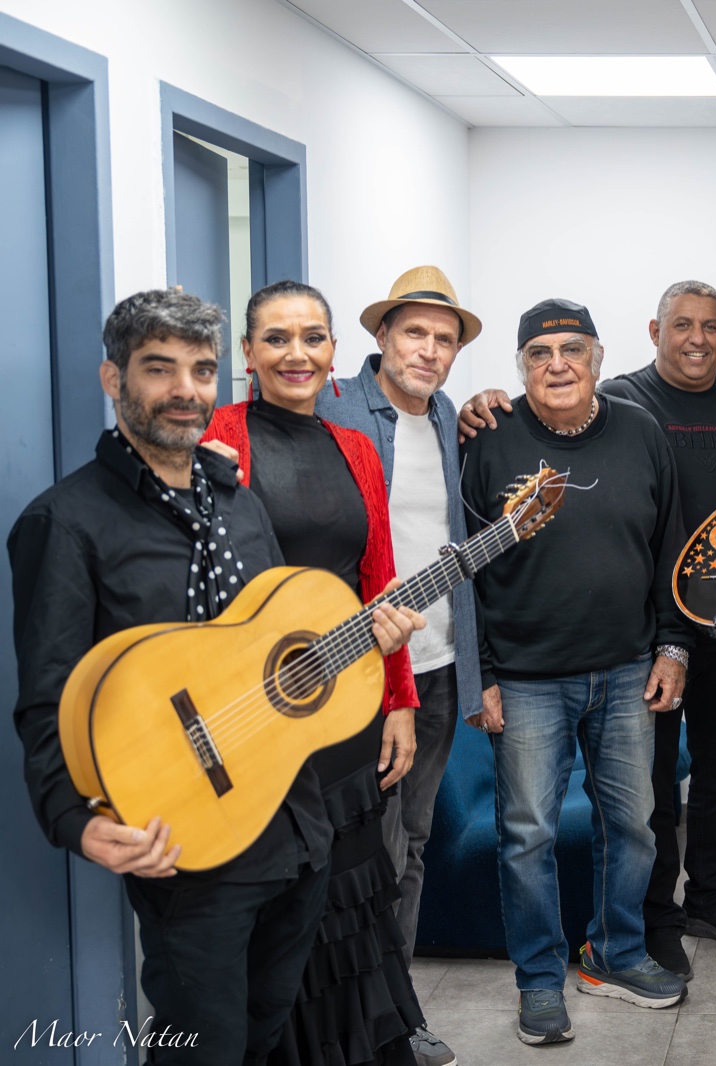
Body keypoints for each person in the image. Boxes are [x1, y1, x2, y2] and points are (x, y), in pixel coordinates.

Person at [9, 288, 417, 1063]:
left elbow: (273, 646)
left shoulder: (239, 504)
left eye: (201, 370)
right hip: (188, 847)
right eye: (158, 368)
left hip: (296, 827)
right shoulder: (64, 522)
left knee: (265, 1038)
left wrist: (370, 642)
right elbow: (48, 700)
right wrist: (76, 821)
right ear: (113, 378)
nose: (185, 390)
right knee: (205, 1050)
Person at [460, 280, 716, 979]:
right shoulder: (603, 405)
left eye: (711, 326)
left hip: (708, 623)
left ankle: (697, 905)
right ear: (654, 331)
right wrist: (474, 408)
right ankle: (641, 925)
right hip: (602, 647)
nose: (697, 338)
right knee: (616, 800)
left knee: (706, 776)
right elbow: (471, 556)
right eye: (683, 324)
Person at [202, 280, 431, 1066]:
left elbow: (379, 583)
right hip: (253, 718)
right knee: (278, 909)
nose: (295, 353)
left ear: (334, 351)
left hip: (345, 711)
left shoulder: (356, 449)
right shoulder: (216, 438)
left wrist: (398, 700)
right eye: (276, 338)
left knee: (349, 894)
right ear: (247, 353)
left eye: (312, 337)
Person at [460, 299, 691, 1046]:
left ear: (596, 358)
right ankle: (538, 979)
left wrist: (673, 647)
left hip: (626, 670)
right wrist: (480, 674)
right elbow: (463, 571)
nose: (556, 364)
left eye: (571, 350)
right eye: (539, 353)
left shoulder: (642, 432)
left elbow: (671, 548)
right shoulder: (488, 440)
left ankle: (614, 954)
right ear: (521, 366)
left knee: (633, 827)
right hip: (525, 679)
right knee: (527, 835)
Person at [318, 265, 483, 1066]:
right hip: (360, 675)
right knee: (363, 856)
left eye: (444, 339)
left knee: (412, 844)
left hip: (438, 667)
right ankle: (360, 1022)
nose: (428, 350)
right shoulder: (334, 410)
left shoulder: (449, 415)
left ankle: (399, 1013)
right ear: (382, 335)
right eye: (414, 332)